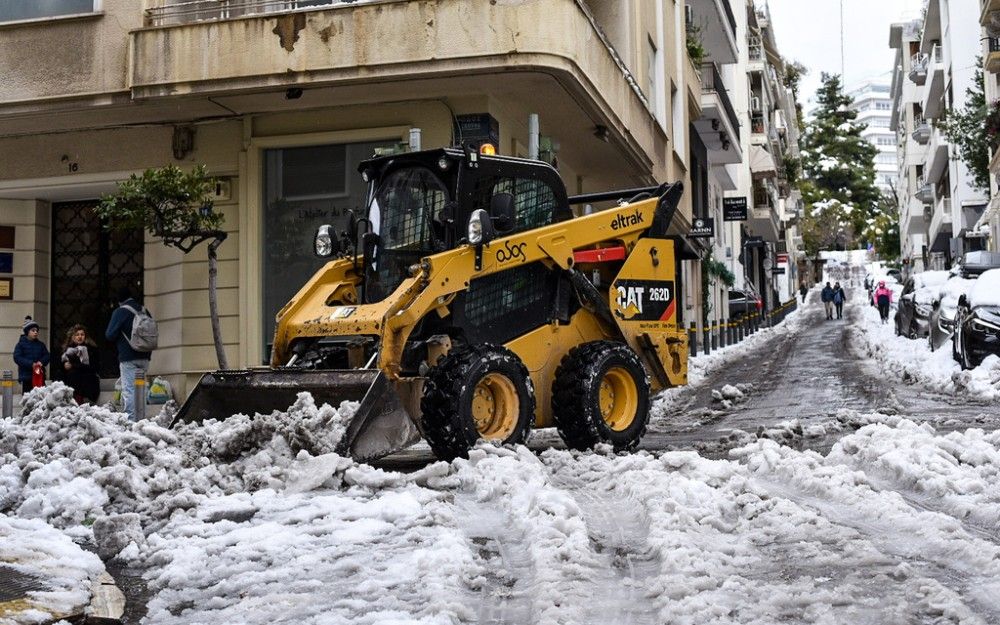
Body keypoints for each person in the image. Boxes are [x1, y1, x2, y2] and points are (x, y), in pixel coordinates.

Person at [106, 287, 152, 421]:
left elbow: (109, 334)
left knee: (129, 390)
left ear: (119, 300)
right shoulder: (144, 310)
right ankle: (142, 420)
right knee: (141, 388)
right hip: (144, 357)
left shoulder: (120, 312)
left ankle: (131, 422)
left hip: (128, 358)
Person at [61, 324, 101, 405]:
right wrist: (65, 365)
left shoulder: (91, 349)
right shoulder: (68, 350)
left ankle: (82, 400)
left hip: (88, 379)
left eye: (82, 334)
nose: (80, 337)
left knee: (78, 375)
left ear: (85, 336)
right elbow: (61, 366)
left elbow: (94, 367)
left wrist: (74, 365)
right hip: (72, 380)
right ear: (73, 337)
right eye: (77, 335)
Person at [13, 316, 50, 394]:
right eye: (33, 330)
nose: (36, 332)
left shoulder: (41, 344)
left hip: (39, 376)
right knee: (28, 398)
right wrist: (31, 364)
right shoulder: (20, 345)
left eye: (37, 330)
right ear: (27, 332)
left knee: (40, 397)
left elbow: (47, 355)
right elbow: (17, 357)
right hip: (27, 377)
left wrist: (41, 362)